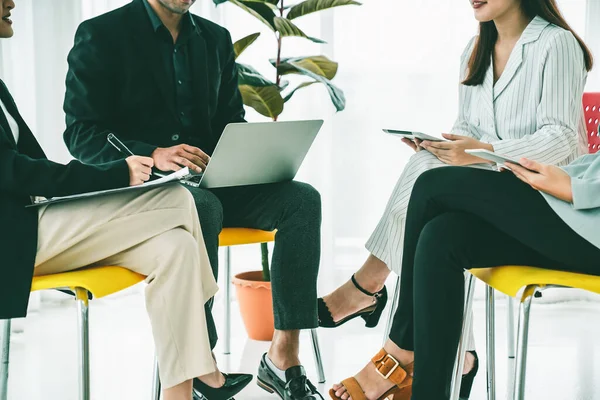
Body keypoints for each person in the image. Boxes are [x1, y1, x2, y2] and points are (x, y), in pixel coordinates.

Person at [319, 0, 593, 396]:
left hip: (553, 206)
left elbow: (564, 141)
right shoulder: (474, 50)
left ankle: (387, 324)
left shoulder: (557, 44)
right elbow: (466, 128)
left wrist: (481, 150)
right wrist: (445, 149)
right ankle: (447, 370)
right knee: (440, 230)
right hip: (500, 200)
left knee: (431, 183)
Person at [62, 0, 323, 398]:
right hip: (141, 187)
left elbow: (230, 123)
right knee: (201, 206)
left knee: (301, 199)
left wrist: (253, 156)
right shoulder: (101, 34)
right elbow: (81, 134)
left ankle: (283, 356)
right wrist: (152, 154)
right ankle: (202, 361)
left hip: (206, 180)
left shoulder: (215, 39)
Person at [0, 1, 252, 399]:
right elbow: (13, 171)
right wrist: (120, 171)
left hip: (33, 220)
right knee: (181, 201)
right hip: (13, 235)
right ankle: (204, 350)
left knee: (177, 247)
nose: (12, 2)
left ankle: (180, 393)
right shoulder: (105, 33)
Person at [330, 151, 600, 400]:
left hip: (590, 212)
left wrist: (575, 189)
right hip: (583, 198)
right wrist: (567, 176)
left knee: (431, 186)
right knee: (442, 236)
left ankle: (402, 346)